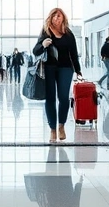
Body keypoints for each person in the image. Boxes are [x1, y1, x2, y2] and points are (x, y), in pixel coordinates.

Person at [32, 8, 82, 143]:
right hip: (49, 68)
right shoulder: (45, 32)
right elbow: (35, 50)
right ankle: (52, 130)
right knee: (50, 99)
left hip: (66, 68)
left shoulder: (69, 34)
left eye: (59, 16)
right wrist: (43, 44)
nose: (56, 18)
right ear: (50, 18)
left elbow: (74, 54)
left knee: (64, 98)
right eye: (54, 16)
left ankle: (61, 126)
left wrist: (78, 71)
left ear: (63, 18)